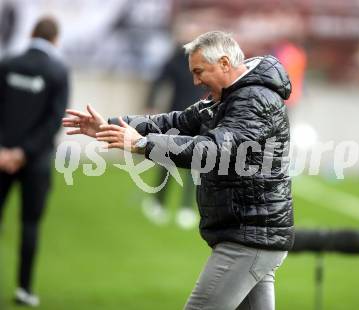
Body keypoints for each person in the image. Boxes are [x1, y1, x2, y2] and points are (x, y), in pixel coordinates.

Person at [63, 31, 293, 309]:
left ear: (223, 63)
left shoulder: (253, 99)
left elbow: (213, 149)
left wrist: (143, 145)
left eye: (199, 71)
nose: (195, 81)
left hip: (248, 236)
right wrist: (112, 125)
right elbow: (178, 121)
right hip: (252, 234)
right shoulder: (231, 95)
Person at [0, 16, 69, 307]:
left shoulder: (8, 63)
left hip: (0, 157)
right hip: (36, 161)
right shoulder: (58, 71)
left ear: (31, 34)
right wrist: (25, 153)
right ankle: (24, 289)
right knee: (30, 224)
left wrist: (5, 150)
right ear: (55, 40)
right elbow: (55, 121)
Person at [142, 44, 205, 229]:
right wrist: (151, 105)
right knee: (168, 160)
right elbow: (159, 81)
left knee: (195, 162)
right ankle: (158, 202)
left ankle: (185, 207)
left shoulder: (204, 63)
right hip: (176, 117)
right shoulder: (176, 61)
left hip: (199, 117)